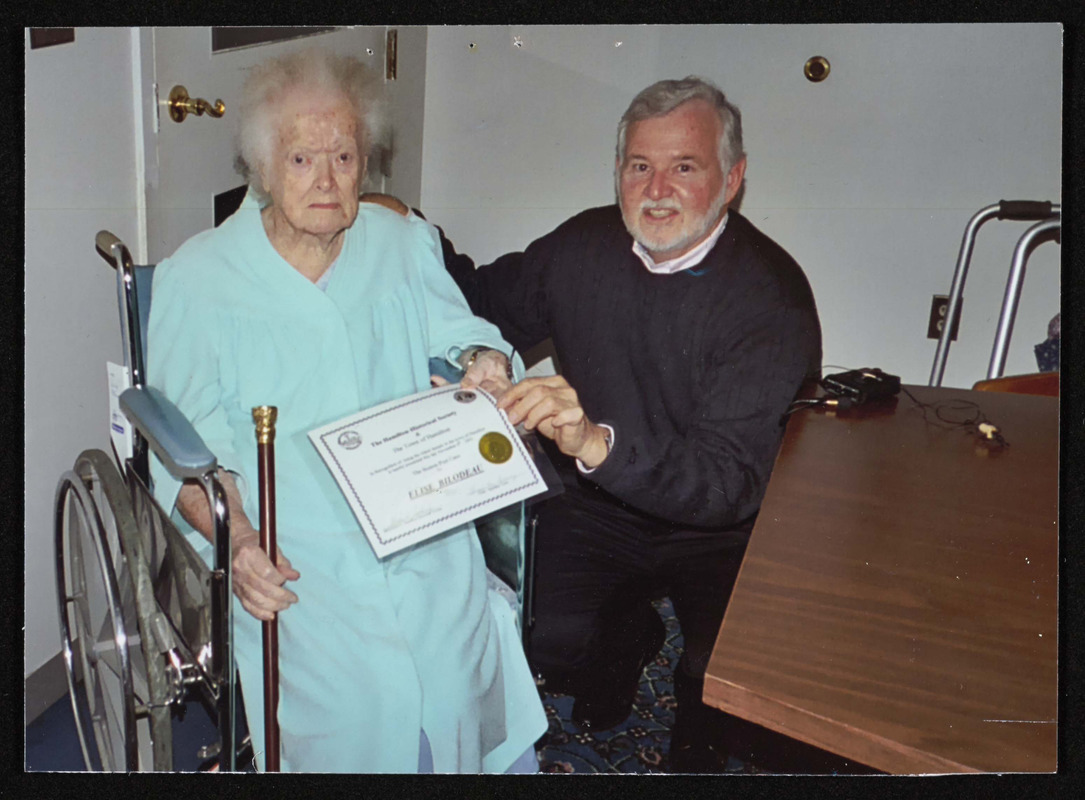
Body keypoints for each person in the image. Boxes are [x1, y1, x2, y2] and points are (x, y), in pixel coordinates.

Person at [148, 48, 546, 773]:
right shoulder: (196, 280)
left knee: (454, 672)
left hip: (415, 514)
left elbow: (466, 336)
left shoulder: (401, 244)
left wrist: (482, 363)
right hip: (291, 542)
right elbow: (185, 452)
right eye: (301, 159)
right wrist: (239, 543)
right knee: (353, 708)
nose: (326, 180)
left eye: (344, 155)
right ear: (262, 169)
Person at [439, 77, 822, 772]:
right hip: (600, 503)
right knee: (539, 637)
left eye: (685, 167)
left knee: (722, 687)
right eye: (638, 166)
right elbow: (478, 294)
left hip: (721, 528)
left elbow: (725, 482)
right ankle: (628, 635)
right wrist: (404, 234)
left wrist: (592, 443)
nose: (656, 189)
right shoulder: (582, 248)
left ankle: (693, 719)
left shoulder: (771, 302)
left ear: (731, 179)